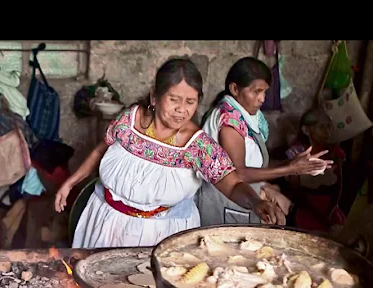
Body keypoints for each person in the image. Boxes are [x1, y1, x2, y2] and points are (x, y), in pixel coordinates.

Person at [55, 58, 285, 249]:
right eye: (174, 99)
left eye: (190, 102)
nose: (181, 109)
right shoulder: (130, 119)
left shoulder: (197, 145)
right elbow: (100, 149)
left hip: (160, 237)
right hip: (106, 223)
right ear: (155, 97)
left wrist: (256, 203)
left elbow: (232, 183)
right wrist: (70, 183)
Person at [197, 57, 332, 225]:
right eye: (256, 91)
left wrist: (295, 164)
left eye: (265, 92)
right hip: (223, 203)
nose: (262, 98)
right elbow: (238, 174)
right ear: (234, 89)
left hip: (240, 201)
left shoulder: (242, 115)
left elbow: (256, 166)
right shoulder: (229, 120)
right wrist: (289, 169)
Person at [282, 107, 347, 233]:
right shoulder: (296, 153)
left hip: (330, 209)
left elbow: (339, 187)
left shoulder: (335, 153)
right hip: (305, 211)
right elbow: (296, 193)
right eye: (321, 127)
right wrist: (319, 216)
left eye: (329, 126)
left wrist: (330, 211)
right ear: (306, 130)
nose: (327, 131)